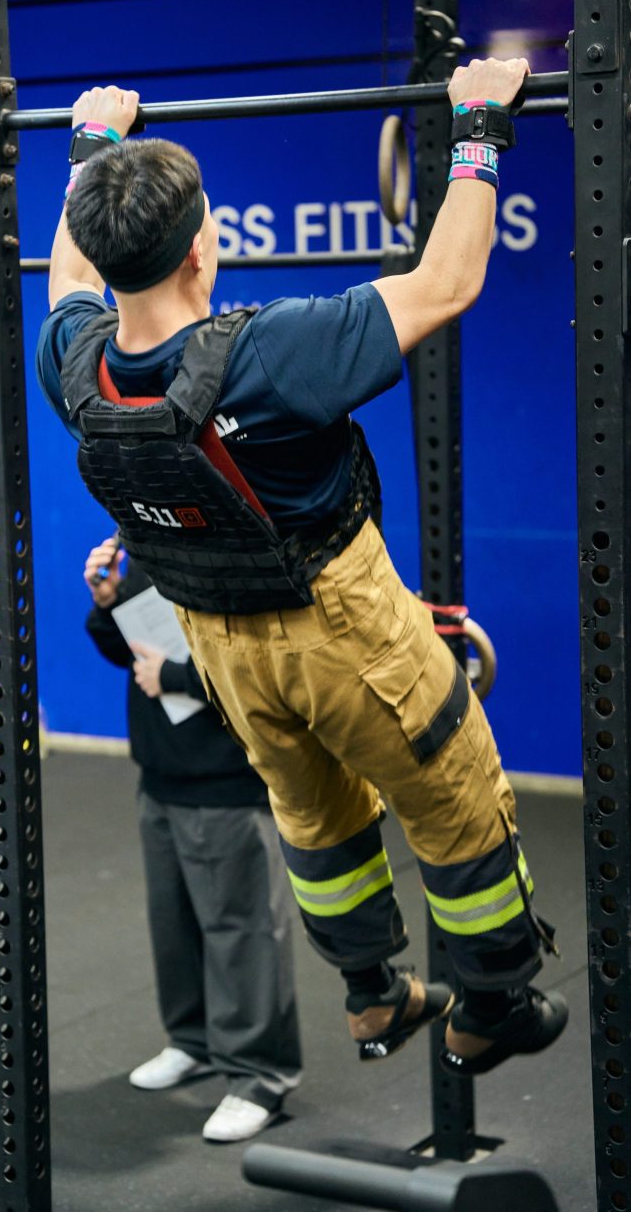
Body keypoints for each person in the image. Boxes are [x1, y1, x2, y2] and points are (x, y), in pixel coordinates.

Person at [36, 59, 568, 1079]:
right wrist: (476, 131)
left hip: (222, 648)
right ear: (206, 246)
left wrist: (91, 157)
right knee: (452, 792)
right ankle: (492, 998)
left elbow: (66, 280)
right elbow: (446, 282)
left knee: (312, 810)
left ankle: (371, 993)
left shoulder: (78, 363)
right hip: (344, 630)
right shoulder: (272, 352)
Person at [82, 539, 302, 1142]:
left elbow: (269, 668)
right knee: (173, 923)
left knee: (242, 930)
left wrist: (174, 674)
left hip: (225, 781)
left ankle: (260, 1076)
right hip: (160, 775)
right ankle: (195, 1042)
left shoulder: (242, 550)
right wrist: (107, 605)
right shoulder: (151, 548)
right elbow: (130, 653)